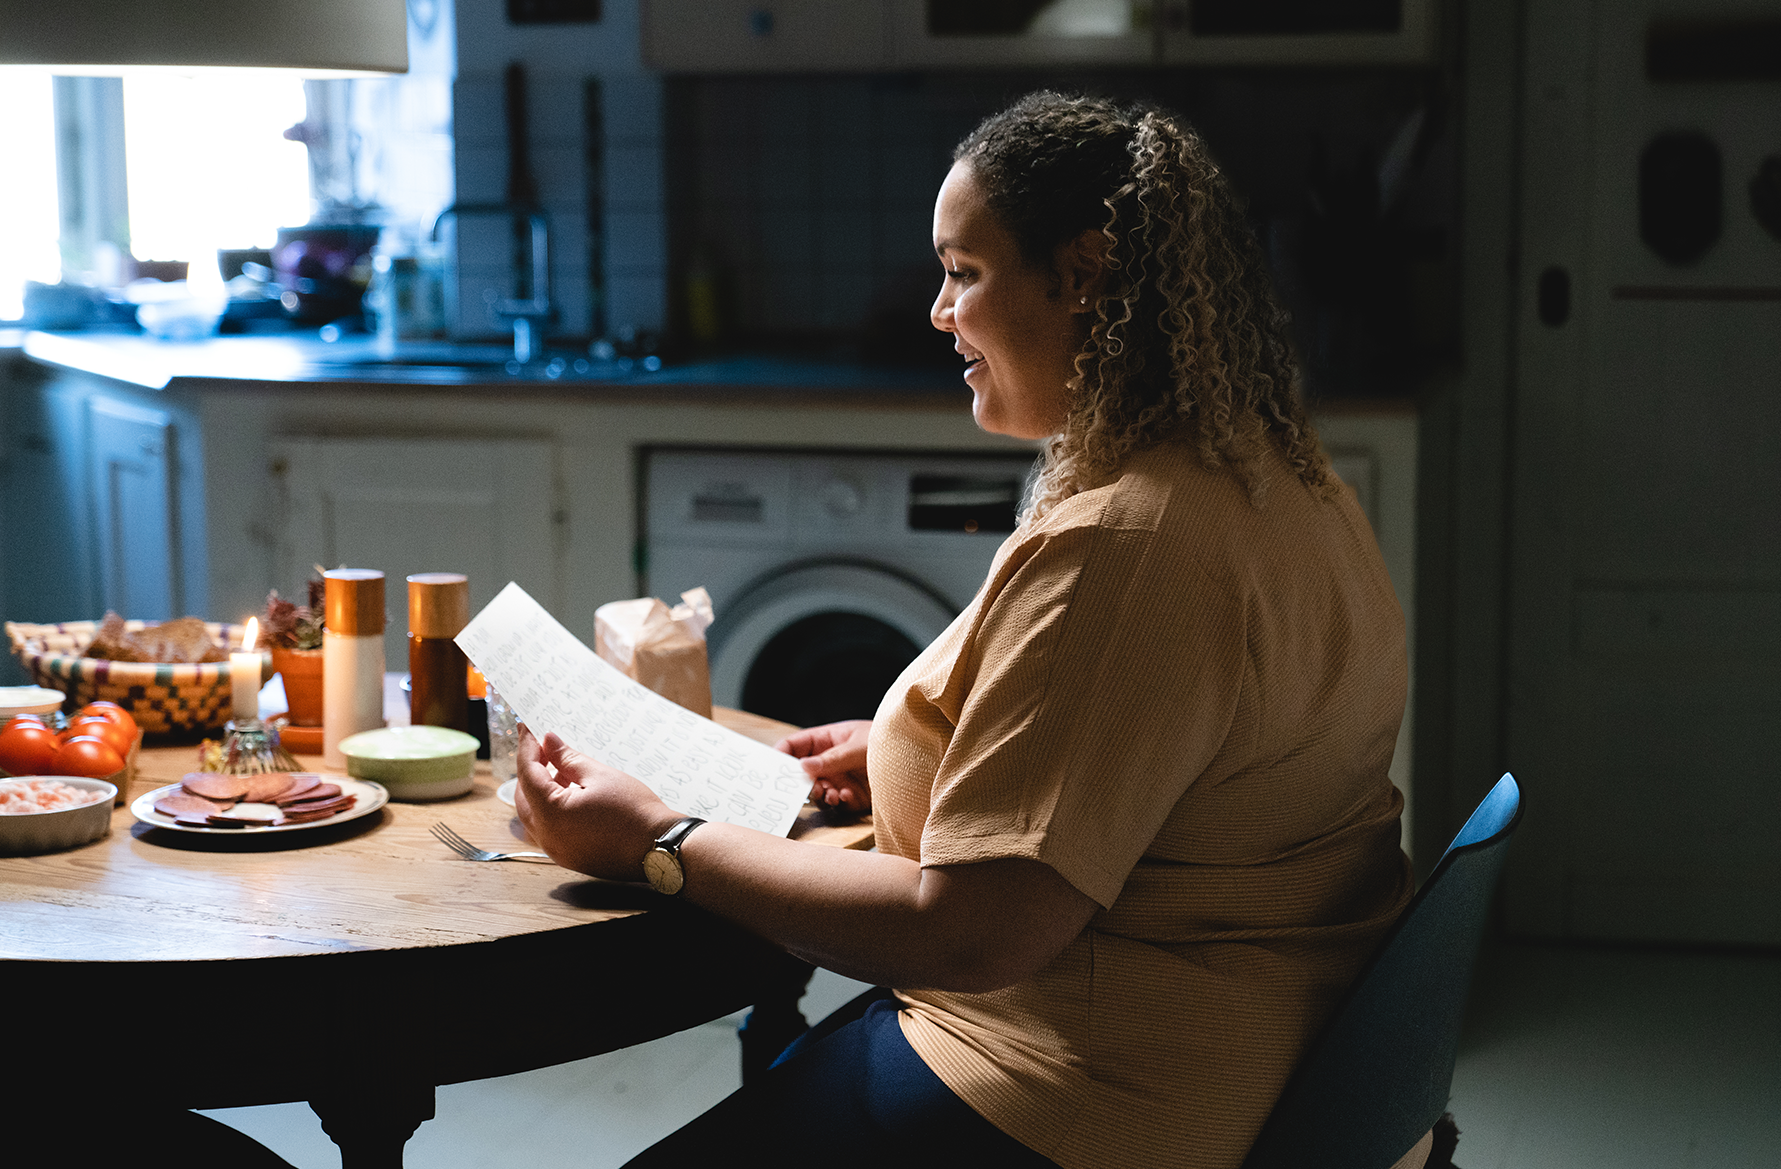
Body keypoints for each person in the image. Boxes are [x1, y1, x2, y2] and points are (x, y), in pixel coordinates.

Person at [513, 91, 1412, 1169]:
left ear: (1079, 278)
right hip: (1264, 1054)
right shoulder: (1276, 480)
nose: (940, 312)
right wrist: (933, 747)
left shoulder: (1125, 546)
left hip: (1094, 1094)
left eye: (964, 271)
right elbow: (1165, 765)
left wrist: (658, 840)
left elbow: (973, 931)